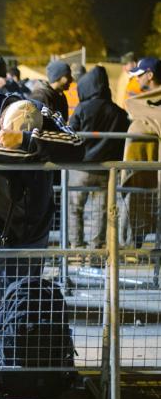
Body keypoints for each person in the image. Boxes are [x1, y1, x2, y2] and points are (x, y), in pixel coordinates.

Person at [0, 95, 84, 394]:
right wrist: (39, 152)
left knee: (25, 296)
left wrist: (25, 141)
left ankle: (18, 361)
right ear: (0, 124)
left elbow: (77, 146)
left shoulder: (44, 113)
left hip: (32, 225)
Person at [68, 66, 129, 261]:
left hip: (80, 167)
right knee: (99, 211)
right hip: (106, 170)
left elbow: (70, 132)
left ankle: (77, 248)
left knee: (75, 208)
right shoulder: (118, 112)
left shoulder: (83, 109)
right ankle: (95, 251)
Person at [121, 58, 161, 248]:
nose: (136, 79)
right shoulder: (140, 104)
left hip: (145, 177)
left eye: (139, 75)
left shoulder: (143, 108)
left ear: (150, 75)